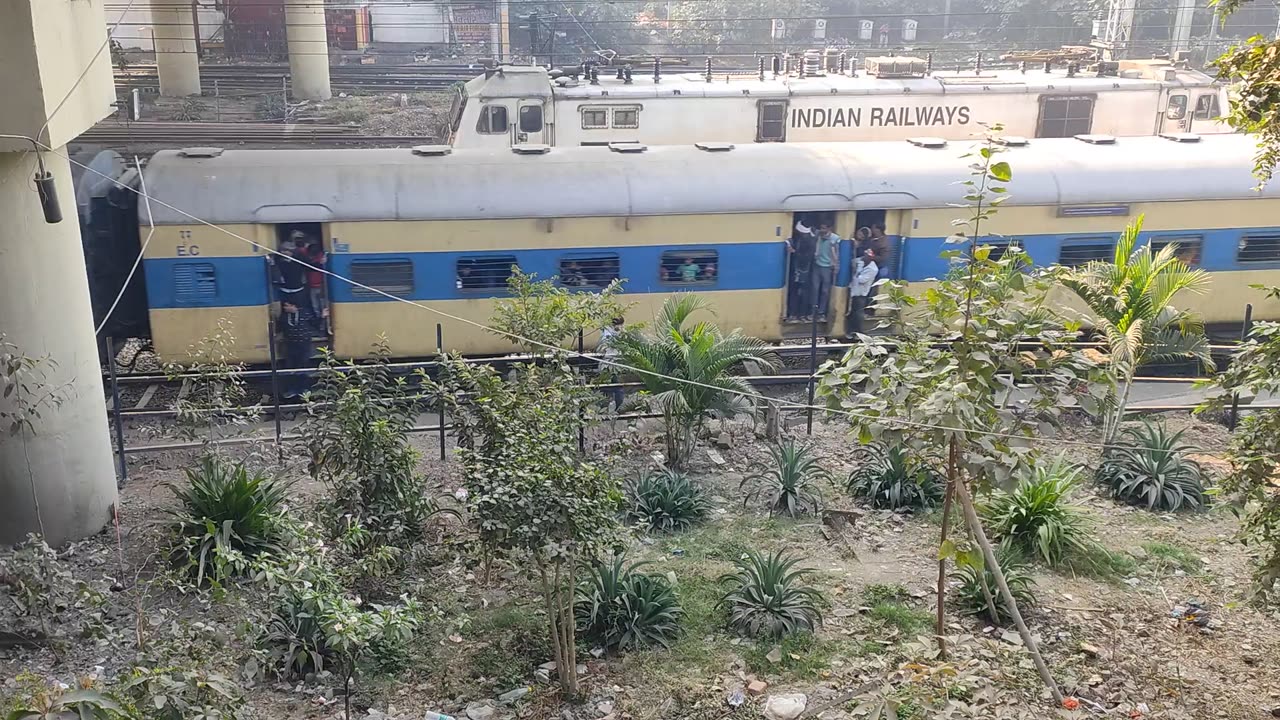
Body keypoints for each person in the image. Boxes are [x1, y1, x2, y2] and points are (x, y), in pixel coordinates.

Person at [280, 300, 318, 399]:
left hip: (304, 345)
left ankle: (304, 389)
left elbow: (315, 323)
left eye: (287, 306)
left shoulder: (305, 313)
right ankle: (292, 389)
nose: (285, 308)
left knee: (303, 367)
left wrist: (322, 316)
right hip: (290, 345)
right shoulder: (284, 317)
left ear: (293, 305)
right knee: (291, 368)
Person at [810, 222, 841, 320]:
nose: (822, 230)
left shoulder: (835, 239)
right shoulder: (818, 235)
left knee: (824, 291)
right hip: (817, 264)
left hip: (827, 267)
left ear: (829, 228)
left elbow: (837, 254)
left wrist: (836, 266)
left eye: (824, 228)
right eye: (821, 228)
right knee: (814, 289)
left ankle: (821, 312)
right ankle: (813, 311)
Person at [846, 247, 879, 337]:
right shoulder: (861, 262)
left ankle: (857, 331)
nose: (865, 258)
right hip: (854, 290)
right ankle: (851, 331)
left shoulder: (873, 269)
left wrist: (856, 271)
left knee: (858, 313)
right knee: (853, 312)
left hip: (861, 293)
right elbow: (853, 261)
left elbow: (861, 279)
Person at [787, 221, 817, 319]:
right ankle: (796, 313)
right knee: (798, 293)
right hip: (800, 270)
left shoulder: (809, 242)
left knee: (801, 293)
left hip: (804, 271)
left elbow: (806, 258)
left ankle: (799, 313)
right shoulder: (803, 239)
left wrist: (794, 252)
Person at [598, 316, 626, 415]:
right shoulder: (610, 333)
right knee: (616, 387)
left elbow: (600, 349)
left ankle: (605, 410)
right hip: (612, 364)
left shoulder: (606, 331)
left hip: (608, 363)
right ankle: (616, 409)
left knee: (607, 387)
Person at [300, 239, 328, 321]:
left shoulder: (321, 258)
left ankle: (324, 322)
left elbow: (317, 266)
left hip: (322, 286)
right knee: (315, 305)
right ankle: (319, 321)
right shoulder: (307, 256)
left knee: (322, 305)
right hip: (312, 286)